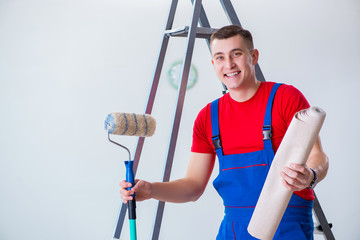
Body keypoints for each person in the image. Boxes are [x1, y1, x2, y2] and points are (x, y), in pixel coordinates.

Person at [120, 25, 329, 239]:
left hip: (287, 227)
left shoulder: (285, 98)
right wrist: (152, 190)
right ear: (213, 64)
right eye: (220, 57)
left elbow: (317, 156)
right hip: (233, 230)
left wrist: (310, 175)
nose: (229, 64)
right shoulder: (208, 117)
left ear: (254, 56)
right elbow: (193, 186)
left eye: (236, 54)